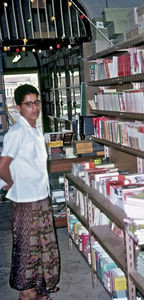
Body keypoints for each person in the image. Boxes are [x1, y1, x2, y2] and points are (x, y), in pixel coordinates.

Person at [0, 84, 60, 300]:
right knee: (27, 247)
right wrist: (9, 183)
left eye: (36, 103)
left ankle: (37, 289)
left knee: (43, 245)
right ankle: (26, 293)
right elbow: (2, 165)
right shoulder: (16, 133)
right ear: (18, 107)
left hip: (39, 196)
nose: (34, 108)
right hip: (26, 200)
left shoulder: (34, 129)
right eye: (28, 104)